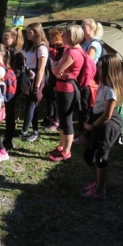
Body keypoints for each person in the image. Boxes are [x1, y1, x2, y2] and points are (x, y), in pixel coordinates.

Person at [80, 53, 123, 199]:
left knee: (100, 156)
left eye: (100, 68)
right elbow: (97, 106)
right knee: (88, 155)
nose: (98, 70)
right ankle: (98, 181)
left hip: (107, 124)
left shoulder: (111, 89)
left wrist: (92, 126)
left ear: (109, 69)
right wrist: (89, 118)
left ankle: (100, 190)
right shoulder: (102, 84)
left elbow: (107, 115)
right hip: (97, 120)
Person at [48, 24, 85, 162]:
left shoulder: (72, 53)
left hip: (66, 88)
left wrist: (54, 66)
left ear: (72, 36)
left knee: (67, 121)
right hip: (64, 86)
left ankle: (66, 151)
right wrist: (58, 68)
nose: (62, 36)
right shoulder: (75, 49)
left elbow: (56, 71)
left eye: (64, 34)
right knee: (63, 119)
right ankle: (61, 146)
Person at [75, 19, 104, 145]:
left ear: (91, 28)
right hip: (83, 78)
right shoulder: (85, 43)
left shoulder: (94, 44)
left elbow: (87, 61)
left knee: (86, 107)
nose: (81, 29)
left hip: (89, 79)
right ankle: (81, 130)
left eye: (84, 27)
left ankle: (86, 135)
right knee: (81, 106)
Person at [19, 23, 49, 142]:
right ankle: (35, 130)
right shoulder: (33, 47)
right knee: (31, 105)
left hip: (36, 79)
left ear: (36, 33)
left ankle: (24, 131)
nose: (27, 34)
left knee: (31, 105)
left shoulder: (42, 48)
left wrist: (36, 86)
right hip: (29, 77)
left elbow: (41, 68)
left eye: (29, 32)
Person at [2, 27, 25, 150]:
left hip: (12, 88)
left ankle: (8, 140)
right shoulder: (8, 52)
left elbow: (18, 72)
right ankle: (7, 136)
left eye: (6, 38)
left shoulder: (17, 55)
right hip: (6, 86)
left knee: (10, 114)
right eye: (3, 38)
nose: (4, 40)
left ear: (14, 39)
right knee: (7, 113)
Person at [44, 28, 66, 131]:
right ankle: (50, 117)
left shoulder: (63, 49)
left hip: (59, 76)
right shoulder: (52, 48)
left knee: (56, 99)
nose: (51, 40)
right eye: (50, 38)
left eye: (53, 38)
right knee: (50, 96)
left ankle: (57, 121)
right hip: (50, 75)